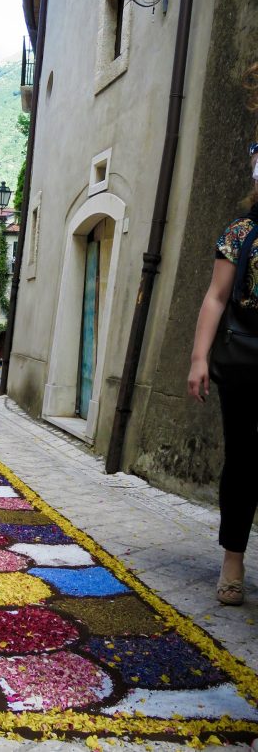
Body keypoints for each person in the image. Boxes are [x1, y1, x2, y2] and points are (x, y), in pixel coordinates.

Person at [188, 138, 258, 607]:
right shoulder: (240, 234)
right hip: (244, 363)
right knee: (244, 461)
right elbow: (216, 296)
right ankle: (233, 559)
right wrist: (198, 359)